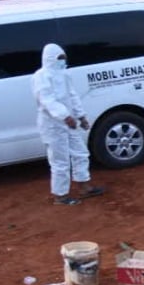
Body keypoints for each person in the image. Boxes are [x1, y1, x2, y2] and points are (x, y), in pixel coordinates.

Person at [32, 43, 104, 205]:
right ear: (50, 58)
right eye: (59, 58)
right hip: (52, 125)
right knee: (60, 161)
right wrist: (65, 116)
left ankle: (84, 186)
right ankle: (60, 195)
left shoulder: (64, 75)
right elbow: (47, 101)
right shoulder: (41, 77)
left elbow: (73, 96)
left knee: (80, 153)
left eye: (63, 57)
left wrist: (81, 117)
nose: (62, 61)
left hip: (69, 122)